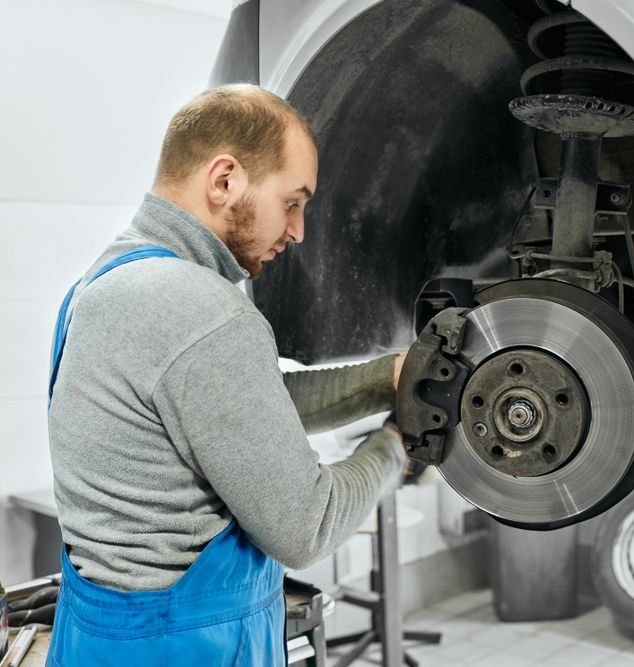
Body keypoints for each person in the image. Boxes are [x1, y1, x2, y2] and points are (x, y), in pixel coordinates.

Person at [45, 84, 407, 665]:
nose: (299, 231)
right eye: (293, 201)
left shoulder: (104, 282)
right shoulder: (207, 311)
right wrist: (399, 445)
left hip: (99, 641)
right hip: (187, 646)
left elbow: (242, 403)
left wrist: (387, 378)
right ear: (224, 180)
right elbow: (306, 530)